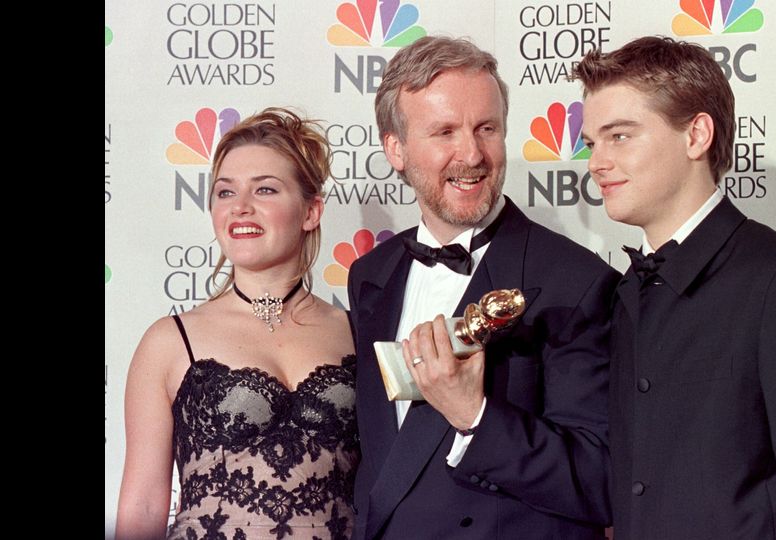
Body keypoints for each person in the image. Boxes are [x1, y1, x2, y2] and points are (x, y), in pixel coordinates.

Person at [573, 36, 776, 539]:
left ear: (696, 134)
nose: (596, 163)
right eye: (593, 143)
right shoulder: (625, 293)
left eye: (620, 136)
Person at [346, 36, 620, 539]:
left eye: (486, 129)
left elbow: (600, 479)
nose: (471, 154)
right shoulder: (370, 275)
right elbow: (385, 460)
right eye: (444, 131)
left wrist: (475, 415)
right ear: (396, 149)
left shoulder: (576, 284)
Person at [116, 108, 359, 540]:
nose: (240, 208)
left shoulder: (358, 331)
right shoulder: (170, 341)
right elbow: (144, 505)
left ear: (311, 212)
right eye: (225, 193)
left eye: (265, 189)